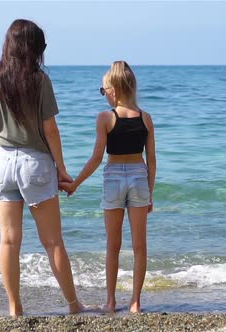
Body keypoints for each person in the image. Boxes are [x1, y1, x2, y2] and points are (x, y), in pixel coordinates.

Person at [0, 19, 83, 316]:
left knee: (9, 241)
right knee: (53, 242)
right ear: (33, 48)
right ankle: (74, 305)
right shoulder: (40, 81)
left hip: (1, 161)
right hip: (34, 163)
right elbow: (51, 130)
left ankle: (14, 307)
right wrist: (62, 169)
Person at [60, 61, 157, 313]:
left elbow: (95, 159)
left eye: (103, 91)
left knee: (113, 245)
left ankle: (111, 301)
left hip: (114, 178)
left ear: (114, 90)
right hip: (139, 177)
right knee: (139, 246)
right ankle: (135, 302)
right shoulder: (145, 118)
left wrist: (75, 184)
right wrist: (150, 192)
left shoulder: (105, 118)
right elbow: (152, 160)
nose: (104, 95)